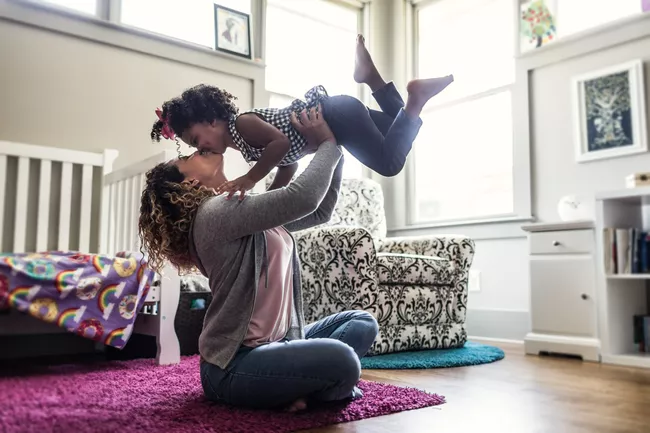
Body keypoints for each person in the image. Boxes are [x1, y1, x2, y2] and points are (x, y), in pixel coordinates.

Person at [139, 107, 379, 411]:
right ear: (186, 186)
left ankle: (301, 390)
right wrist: (327, 143)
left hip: (279, 345)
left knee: (361, 322)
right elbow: (302, 198)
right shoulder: (212, 214)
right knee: (342, 358)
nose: (198, 150)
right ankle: (316, 389)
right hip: (233, 366)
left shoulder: (239, 208)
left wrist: (335, 148)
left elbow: (319, 211)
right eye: (188, 158)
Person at [151, 35, 454, 199]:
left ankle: (415, 95)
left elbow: (280, 144)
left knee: (390, 163)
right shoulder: (245, 144)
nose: (198, 147)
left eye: (194, 139)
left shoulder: (242, 125)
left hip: (336, 117)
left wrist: (251, 178)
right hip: (339, 112)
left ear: (211, 120)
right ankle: (372, 79)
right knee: (398, 127)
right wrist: (269, 196)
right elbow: (288, 162)